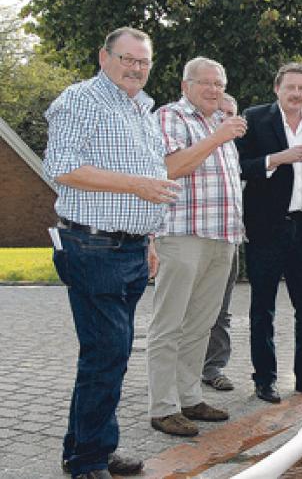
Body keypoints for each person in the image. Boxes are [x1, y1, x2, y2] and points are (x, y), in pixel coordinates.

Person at [44, 26, 179, 479]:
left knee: (107, 356)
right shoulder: (81, 100)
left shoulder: (142, 108)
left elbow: (152, 178)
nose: (137, 68)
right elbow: (61, 167)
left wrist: (151, 239)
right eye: (128, 59)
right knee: (107, 354)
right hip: (93, 246)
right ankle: (88, 461)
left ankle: (87, 447)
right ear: (104, 58)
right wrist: (135, 185)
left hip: (131, 249)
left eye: (144, 62)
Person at [147, 58, 246, 437]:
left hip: (222, 236)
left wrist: (222, 121)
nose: (213, 89)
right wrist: (217, 137)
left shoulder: (219, 120)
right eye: (204, 82)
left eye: (218, 83)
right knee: (168, 324)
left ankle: (189, 397)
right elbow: (171, 167)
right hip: (182, 234)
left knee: (201, 324)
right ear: (185, 85)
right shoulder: (170, 116)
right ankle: (162, 406)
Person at [236, 62, 302, 404]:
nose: (297, 94)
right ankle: (264, 380)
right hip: (266, 228)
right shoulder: (253, 119)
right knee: (262, 309)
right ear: (277, 89)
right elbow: (238, 165)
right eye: (290, 87)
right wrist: (278, 158)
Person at [202, 93, 241, 392]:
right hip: (193, 240)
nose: (227, 120)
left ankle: (213, 367)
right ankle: (178, 371)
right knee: (186, 310)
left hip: (229, 240)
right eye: (221, 114)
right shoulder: (195, 147)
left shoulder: (233, 151)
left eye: (232, 114)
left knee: (220, 309)